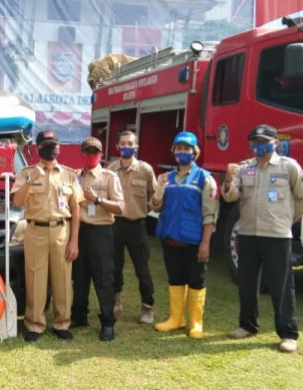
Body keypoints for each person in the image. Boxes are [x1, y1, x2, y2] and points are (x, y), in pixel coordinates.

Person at [222, 124, 303, 353]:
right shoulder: (243, 169)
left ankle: (288, 334)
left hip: (277, 236)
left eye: (264, 142)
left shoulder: (288, 167)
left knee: (281, 286)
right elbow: (231, 196)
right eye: (255, 142)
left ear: (275, 144)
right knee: (247, 283)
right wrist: (227, 180)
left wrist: (286, 220)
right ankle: (247, 326)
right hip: (249, 234)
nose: (259, 146)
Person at [12, 130, 82, 342]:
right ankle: (34, 324)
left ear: (59, 147)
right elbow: (17, 202)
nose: (51, 149)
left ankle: (62, 323)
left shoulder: (69, 174)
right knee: (35, 277)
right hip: (35, 231)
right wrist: (31, 180)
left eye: (54, 145)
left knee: (62, 279)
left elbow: (76, 210)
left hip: (62, 230)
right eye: (46, 145)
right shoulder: (26, 172)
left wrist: (74, 241)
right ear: (38, 148)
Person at [151, 132, 219, 339]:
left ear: (194, 152)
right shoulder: (167, 178)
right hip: (170, 238)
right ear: (173, 151)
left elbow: (210, 214)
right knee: (175, 279)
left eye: (186, 149)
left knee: (197, 281)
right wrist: (159, 188)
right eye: (178, 148)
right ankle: (176, 319)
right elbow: (155, 206)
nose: (182, 152)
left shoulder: (205, 178)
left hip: (194, 240)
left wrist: (205, 243)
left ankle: (196, 323)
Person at [71, 137, 124, 341]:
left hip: (102, 232)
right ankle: (79, 316)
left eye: (95, 152)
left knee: (103, 278)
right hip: (80, 230)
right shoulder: (75, 176)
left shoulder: (109, 177)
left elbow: (121, 207)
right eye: (87, 152)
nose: (91, 156)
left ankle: (108, 322)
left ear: (101, 155)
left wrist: (98, 199)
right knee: (80, 276)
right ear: (82, 154)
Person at [106, 130, 157, 323]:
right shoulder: (110, 169)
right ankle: (115, 300)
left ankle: (147, 307)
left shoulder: (145, 170)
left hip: (137, 226)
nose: (127, 147)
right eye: (123, 143)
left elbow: (154, 197)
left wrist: (154, 204)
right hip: (115, 225)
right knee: (115, 267)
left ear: (136, 147)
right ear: (117, 146)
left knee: (142, 269)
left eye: (131, 144)